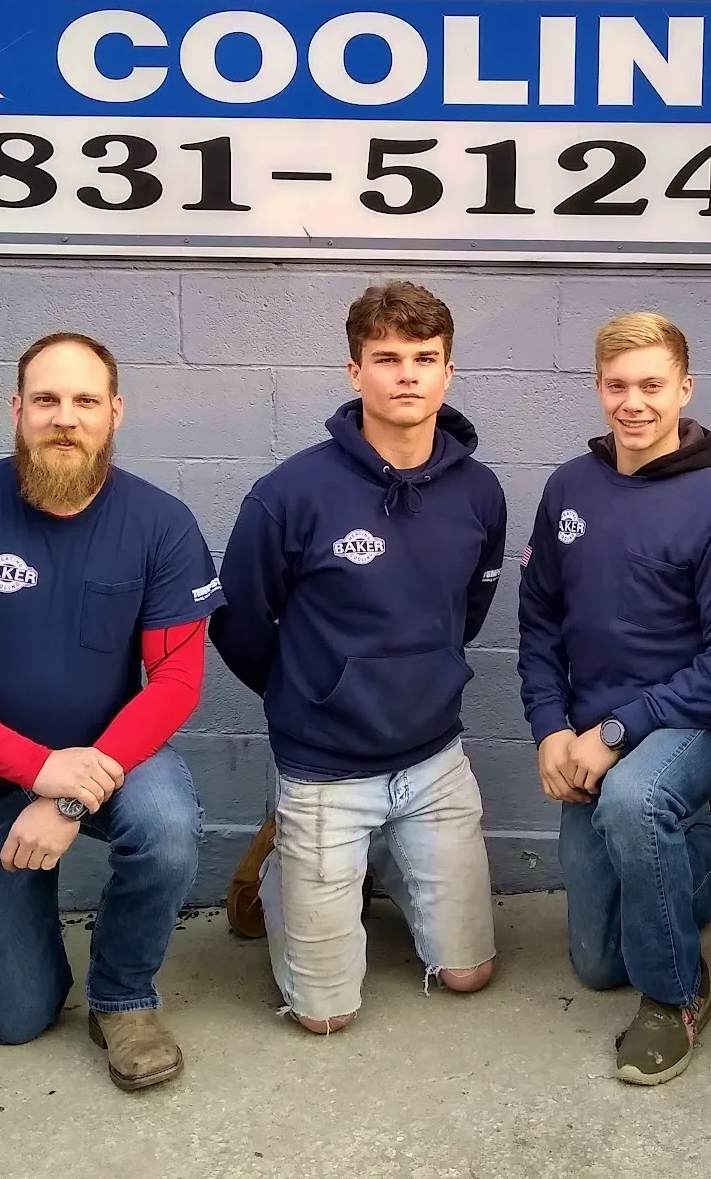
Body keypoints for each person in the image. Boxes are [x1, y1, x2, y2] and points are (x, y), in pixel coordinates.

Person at [0, 333, 217, 1092]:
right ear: (17, 410)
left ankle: (123, 996)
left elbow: (175, 681)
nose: (66, 418)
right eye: (47, 400)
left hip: (111, 760)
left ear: (115, 413)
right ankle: (36, 959)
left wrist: (68, 793)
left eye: (85, 401)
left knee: (166, 827)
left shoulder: (160, 523)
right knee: (18, 1017)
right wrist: (35, 769)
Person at [213, 282, 508, 1035]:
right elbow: (238, 622)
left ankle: (390, 866)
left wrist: (424, 674)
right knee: (325, 1017)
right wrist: (311, 693)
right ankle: (283, 863)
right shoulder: (291, 494)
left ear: (448, 371)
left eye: (424, 358)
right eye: (386, 358)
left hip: (434, 760)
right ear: (355, 372)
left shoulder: (481, 494)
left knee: (469, 975)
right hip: (325, 768)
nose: (407, 374)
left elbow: (467, 612)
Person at [515, 310, 711, 1085]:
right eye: (617, 385)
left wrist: (615, 732)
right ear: (598, 387)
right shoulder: (569, 488)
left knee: (634, 801)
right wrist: (549, 729)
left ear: (684, 389)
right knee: (600, 964)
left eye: (652, 386)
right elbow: (539, 621)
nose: (634, 403)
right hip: (593, 729)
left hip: (700, 723)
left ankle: (676, 995)